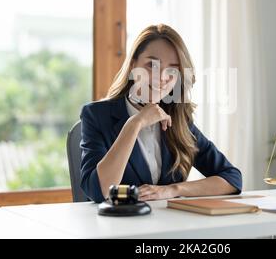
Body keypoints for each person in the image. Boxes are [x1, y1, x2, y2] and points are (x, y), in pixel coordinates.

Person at [80, 24, 242, 203]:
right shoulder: (96, 115)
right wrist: (135, 124)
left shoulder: (179, 120)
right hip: (119, 227)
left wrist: (173, 190)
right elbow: (97, 191)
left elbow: (232, 178)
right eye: (151, 65)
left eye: (173, 69)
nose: (162, 77)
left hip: (168, 227)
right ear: (133, 65)